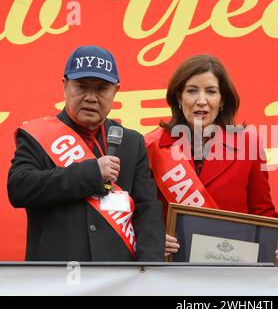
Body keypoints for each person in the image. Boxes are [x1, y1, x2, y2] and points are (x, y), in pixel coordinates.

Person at [8, 45, 165, 261]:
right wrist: (91, 173)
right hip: (54, 276)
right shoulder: (37, 135)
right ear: (65, 86)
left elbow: (147, 210)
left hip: (117, 279)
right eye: (81, 87)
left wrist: (149, 270)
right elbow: (19, 189)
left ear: (115, 91)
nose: (91, 97)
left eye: (101, 88)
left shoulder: (132, 142)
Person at [145, 54, 278, 266]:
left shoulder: (248, 144)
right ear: (179, 96)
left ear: (222, 99)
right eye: (192, 90)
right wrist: (155, 237)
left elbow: (263, 211)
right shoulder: (152, 146)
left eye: (211, 91)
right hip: (171, 268)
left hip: (231, 270)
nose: (201, 101)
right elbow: (140, 213)